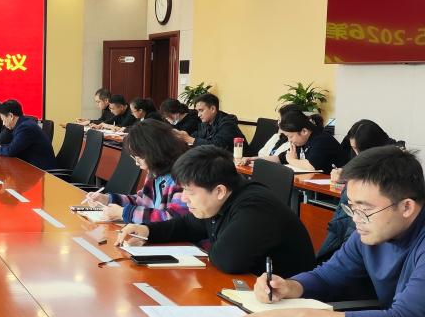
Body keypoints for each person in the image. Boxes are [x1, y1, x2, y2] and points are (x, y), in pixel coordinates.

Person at [228, 147, 425, 317]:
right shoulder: (369, 232)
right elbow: (328, 276)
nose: (355, 219)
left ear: (406, 207)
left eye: (365, 209)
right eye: (352, 207)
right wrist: (290, 287)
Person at [117, 145, 315, 277]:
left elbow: (228, 260)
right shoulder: (223, 197)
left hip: (285, 300)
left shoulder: (255, 208)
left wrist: (209, 242)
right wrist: (147, 231)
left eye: (189, 192)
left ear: (219, 191)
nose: (184, 198)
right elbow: (188, 225)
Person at [317, 120, 396, 264]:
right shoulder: (364, 155)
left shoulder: (392, 164)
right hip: (348, 226)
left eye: (358, 149)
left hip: (364, 229)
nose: (356, 154)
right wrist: (342, 174)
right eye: (353, 148)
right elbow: (348, 170)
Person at [81, 120, 190, 223]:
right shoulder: (154, 173)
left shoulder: (181, 178)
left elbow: (173, 219)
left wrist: (124, 213)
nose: (137, 163)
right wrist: (107, 199)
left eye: (138, 157)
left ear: (155, 151)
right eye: (134, 157)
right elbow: (140, 201)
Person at [241, 111, 346, 172]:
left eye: (290, 136)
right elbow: (279, 158)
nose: (289, 140)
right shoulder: (301, 141)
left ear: (304, 131)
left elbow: (311, 166)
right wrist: (254, 159)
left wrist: (291, 160)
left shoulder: (321, 140)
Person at [0, 100, 57, 170]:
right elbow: (14, 145)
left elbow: (11, 151)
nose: (3, 124)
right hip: (32, 167)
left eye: (3, 120)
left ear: (11, 116)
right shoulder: (23, 124)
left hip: (42, 171)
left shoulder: (25, 128)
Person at [174, 93, 246, 151]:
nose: (198, 115)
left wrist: (189, 139)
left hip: (239, 162)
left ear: (213, 109)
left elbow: (218, 146)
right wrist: (182, 137)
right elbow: (195, 137)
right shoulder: (204, 124)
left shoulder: (227, 123)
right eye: (197, 111)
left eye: (201, 110)